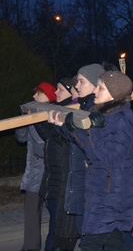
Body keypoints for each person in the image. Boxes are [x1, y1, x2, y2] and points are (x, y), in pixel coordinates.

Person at [48, 70, 133, 250]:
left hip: (113, 195)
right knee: (115, 243)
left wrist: (93, 131)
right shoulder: (107, 115)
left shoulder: (123, 120)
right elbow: (90, 149)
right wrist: (69, 128)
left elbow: (110, 158)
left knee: (90, 244)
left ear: (114, 94)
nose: (95, 91)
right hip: (101, 191)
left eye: (101, 87)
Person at [34, 77, 79, 251]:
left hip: (63, 180)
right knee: (56, 227)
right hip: (54, 178)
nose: (56, 92)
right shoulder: (58, 110)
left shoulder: (70, 112)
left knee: (58, 230)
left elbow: (58, 138)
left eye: (60, 89)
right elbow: (48, 137)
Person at [16, 82, 56, 251]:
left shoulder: (54, 114)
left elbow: (43, 143)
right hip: (33, 174)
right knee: (31, 213)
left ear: (46, 95)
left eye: (37, 93)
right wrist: (23, 121)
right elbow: (22, 139)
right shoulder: (35, 113)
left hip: (48, 172)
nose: (33, 97)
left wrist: (33, 121)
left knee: (56, 213)